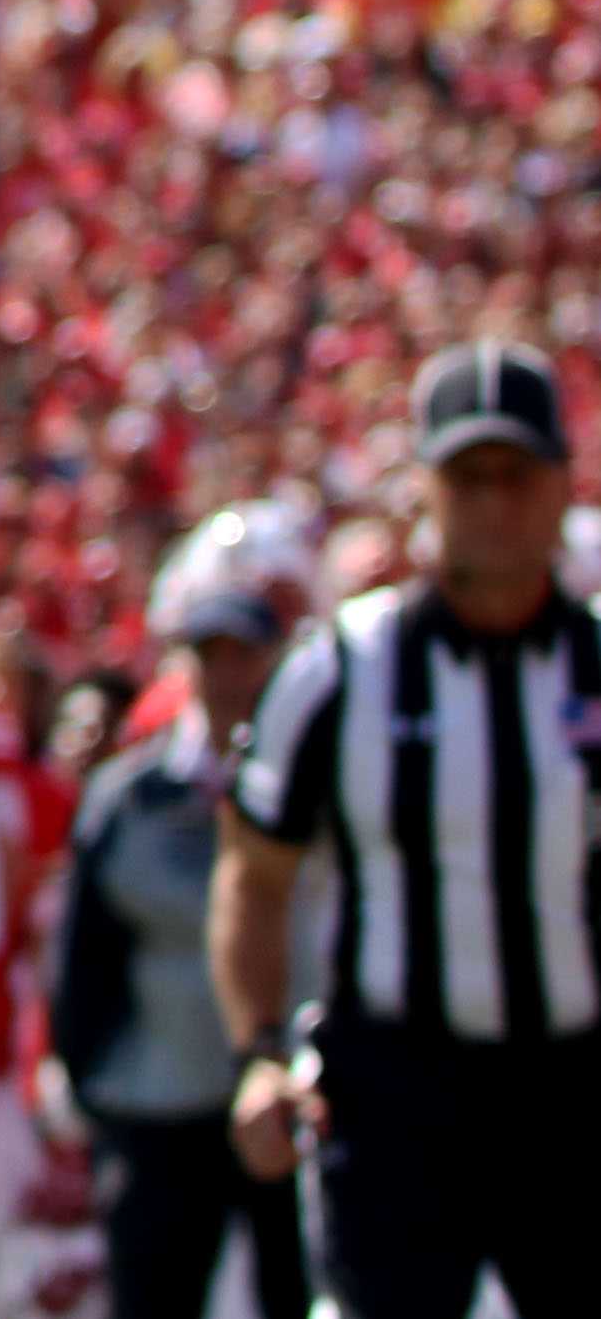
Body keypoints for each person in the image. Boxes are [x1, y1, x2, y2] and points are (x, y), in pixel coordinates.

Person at [215, 340, 601, 1319]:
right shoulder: (341, 668)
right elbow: (253, 871)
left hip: (575, 1082)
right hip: (395, 1089)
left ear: (561, 483)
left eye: (516, 474)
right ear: (423, 488)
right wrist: (256, 1050)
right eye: (467, 476)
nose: (494, 501)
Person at [51, 555, 301, 1319]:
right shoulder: (127, 795)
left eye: (243, 653)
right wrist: (90, 1077)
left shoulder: (310, 780)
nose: (226, 673)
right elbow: (84, 950)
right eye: (208, 653)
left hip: (290, 1091)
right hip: (158, 1095)